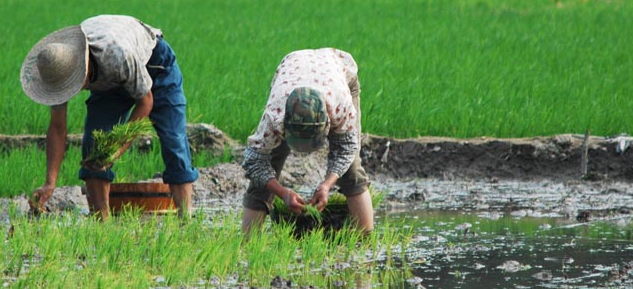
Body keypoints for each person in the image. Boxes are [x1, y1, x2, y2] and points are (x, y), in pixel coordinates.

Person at [20, 15, 199, 219]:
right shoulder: (57, 69)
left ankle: (186, 221)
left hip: (154, 65)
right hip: (109, 80)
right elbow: (58, 129)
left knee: (173, 141)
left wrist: (115, 151)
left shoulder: (116, 55)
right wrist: (50, 183)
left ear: (84, 70)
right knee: (94, 147)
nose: (71, 91)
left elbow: (145, 102)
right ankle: (102, 225)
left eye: (73, 84)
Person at [241, 48, 374, 235]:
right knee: (267, 168)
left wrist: (326, 185)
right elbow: (254, 161)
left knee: (352, 170)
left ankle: (366, 242)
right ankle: (247, 245)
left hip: (339, 73)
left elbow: (346, 149)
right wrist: (282, 192)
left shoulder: (340, 106)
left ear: (327, 123)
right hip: (291, 71)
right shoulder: (275, 115)